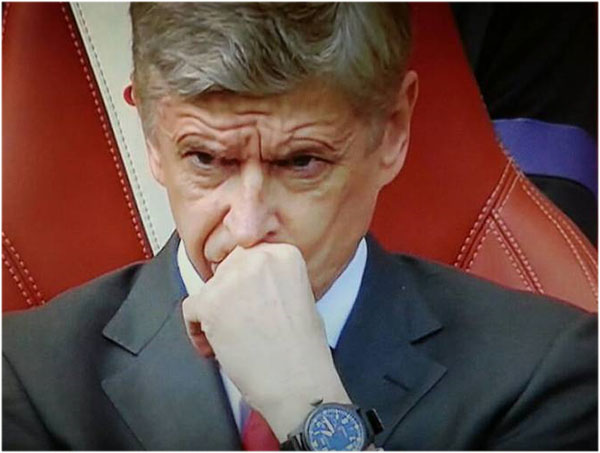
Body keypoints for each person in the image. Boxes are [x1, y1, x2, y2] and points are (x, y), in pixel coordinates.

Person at [3, 3, 597, 450]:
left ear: (392, 131)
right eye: (206, 158)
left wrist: (311, 411)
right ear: (153, 140)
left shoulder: (546, 372)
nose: (247, 227)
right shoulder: (30, 379)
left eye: (301, 162)